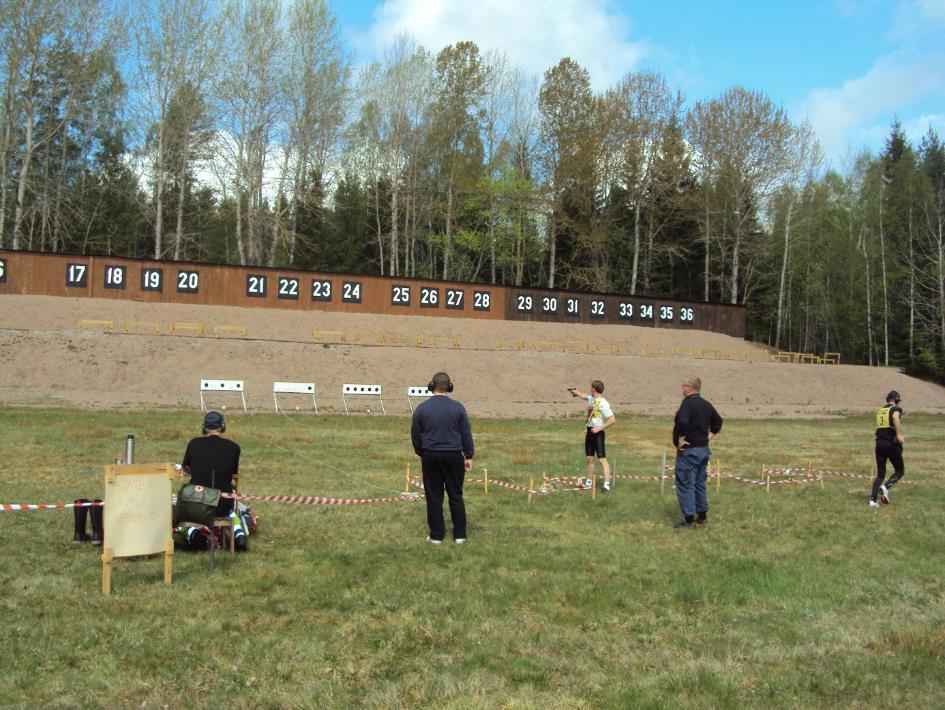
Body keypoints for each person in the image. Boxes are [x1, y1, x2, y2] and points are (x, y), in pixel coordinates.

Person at [411, 371, 474, 544]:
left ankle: (437, 536)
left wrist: (422, 453)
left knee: (434, 497)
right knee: (455, 495)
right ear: (449, 387)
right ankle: (459, 535)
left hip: (430, 456)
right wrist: (468, 455)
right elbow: (466, 433)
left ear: (431, 386)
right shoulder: (458, 407)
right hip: (454, 456)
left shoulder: (422, 408)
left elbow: (415, 435)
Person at [178, 411, 247, 549]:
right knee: (231, 509)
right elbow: (232, 474)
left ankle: (193, 533)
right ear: (223, 426)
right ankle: (239, 533)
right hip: (222, 504)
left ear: (204, 427)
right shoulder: (234, 447)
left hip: (198, 502)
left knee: (180, 512)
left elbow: (185, 468)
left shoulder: (194, 444)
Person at [672, 376, 723, 527]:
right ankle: (702, 516)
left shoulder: (687, 404)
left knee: (686, 484)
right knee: (699, 483)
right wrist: (707, 438)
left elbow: (682, 422)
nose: (682, 388)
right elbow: (718, 422)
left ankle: (688, 519)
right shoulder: (706, 404)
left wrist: (680, 439)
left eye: (683, 385)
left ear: (689, 387)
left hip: (689, 452)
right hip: (703, 451)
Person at [568, 381, 616, 492]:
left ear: (594, 389)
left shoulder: (603, 403)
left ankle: (606, 485)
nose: (590, 390)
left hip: (598, 433)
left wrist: (600, 428)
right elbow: (584, 396)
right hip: (590, 432)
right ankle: (589, 483)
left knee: (602, 460)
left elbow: (612, 419)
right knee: (589, 459)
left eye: (591, 388)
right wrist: (576, 392)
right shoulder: (592, 399)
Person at [870, 390, 905, 508]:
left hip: (879, 443)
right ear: (896, 400)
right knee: (900, 471)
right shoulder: (896, 409)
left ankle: (872, 501)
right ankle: (885, 487)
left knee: (880, 474)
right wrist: (899, 434)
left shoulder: (881, 410)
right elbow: (895, 417)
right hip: (890, 443)